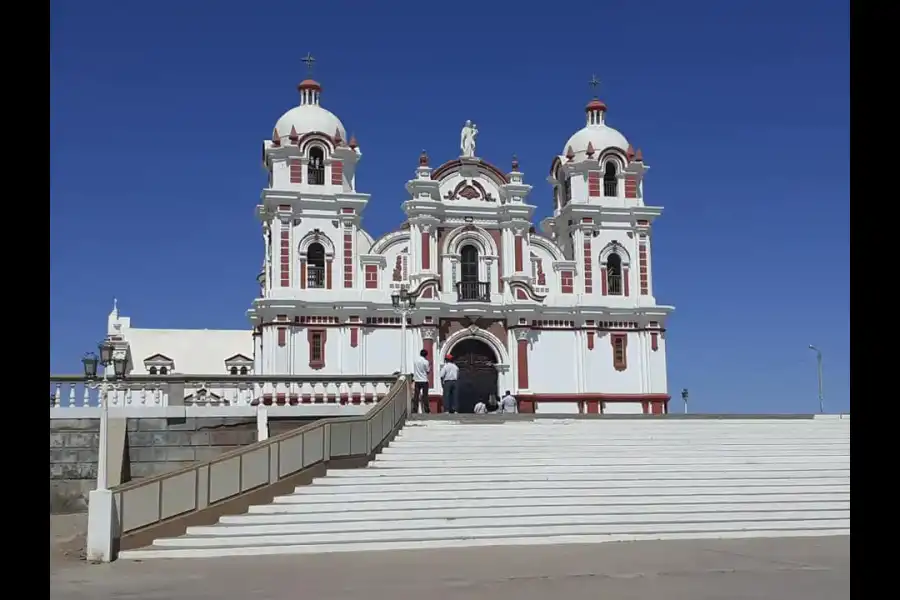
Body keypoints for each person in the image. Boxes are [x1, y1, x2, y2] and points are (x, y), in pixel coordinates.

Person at [411, 349, 431, 414]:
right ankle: (426, 409)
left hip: (417, 380)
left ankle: (415, 409)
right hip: (424, 380)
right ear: (426, 355)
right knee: (425, 396)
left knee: (416, 396)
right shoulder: (426, 362)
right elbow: (428, 371)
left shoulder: (415, 361)